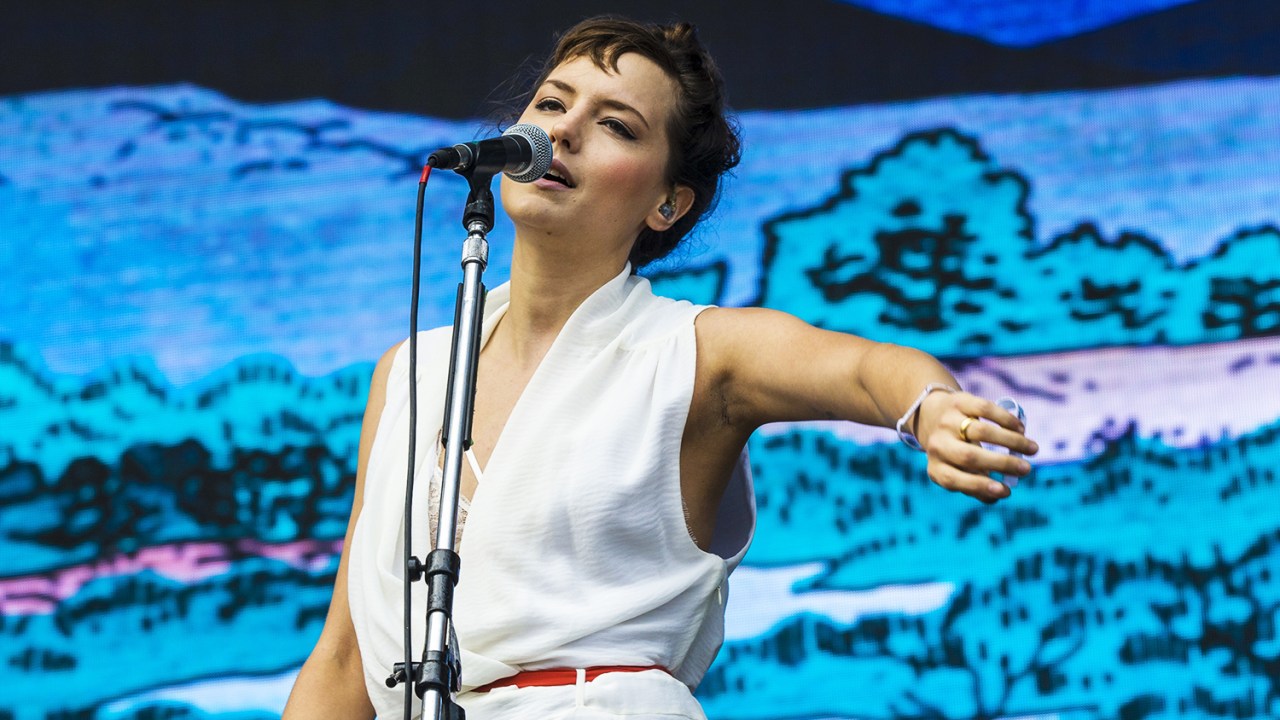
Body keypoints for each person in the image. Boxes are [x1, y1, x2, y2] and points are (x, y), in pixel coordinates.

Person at [282, 15, 1038, 720]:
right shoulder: (410, 372)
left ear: (669, 204)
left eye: (615, 124)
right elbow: (347, 658)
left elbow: (866, 368)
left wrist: (931, 406)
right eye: (551, 103)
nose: (564, 131)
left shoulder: (694, 353)